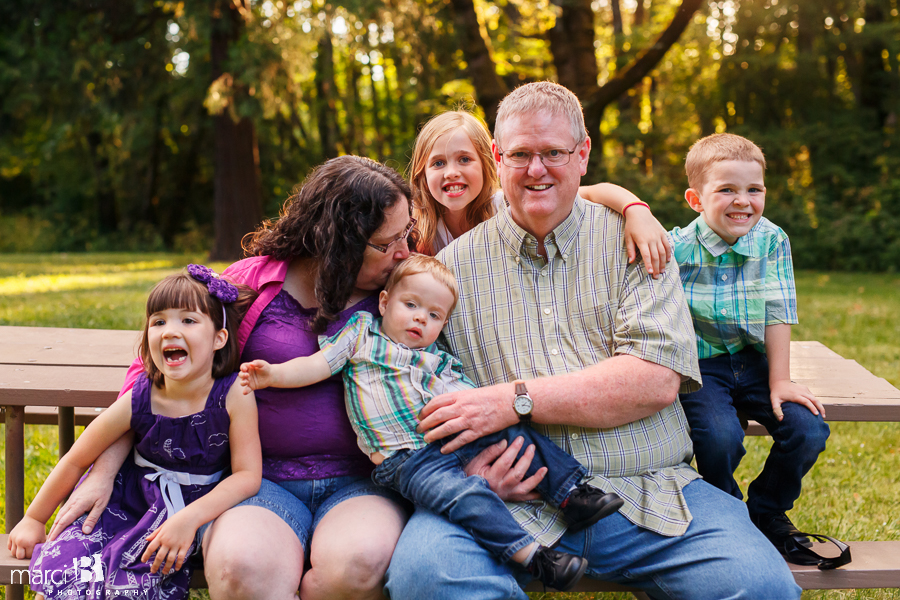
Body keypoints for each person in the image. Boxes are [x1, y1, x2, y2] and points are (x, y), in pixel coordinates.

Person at [385, 82, 802, 599]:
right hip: (506, 501)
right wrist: (470, 470)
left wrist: (513, 399)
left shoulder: (640, 244)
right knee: (427, 576)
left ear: (583, 155)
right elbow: (414, 390)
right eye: (519, 155)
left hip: (648, 487)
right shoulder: (448, 273)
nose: (537, 169)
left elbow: (652, 382)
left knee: (761, 588)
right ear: (498, 157)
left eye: (554, 153)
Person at [49, 156, 416, 600]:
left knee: (359, 564)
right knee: (242, 567)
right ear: (336, 239)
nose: (405, 252)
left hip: (364, 484)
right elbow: (152, 383)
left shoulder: (406, 292)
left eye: (407, 234)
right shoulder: (251, 285)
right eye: (387, 242)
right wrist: (103, 471)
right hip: (259, 482)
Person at [238, 254, 623, 591]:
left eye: (434, 315)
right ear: (384, 303)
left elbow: (469, 401)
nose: (420, 318)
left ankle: (573, 493)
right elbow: (316, 365)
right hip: (406, 459)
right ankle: (534, 557)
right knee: (464, 495)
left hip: (453, 435)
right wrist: (272, 375)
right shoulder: (361, 336)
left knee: (517, 433)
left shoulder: (437, 357)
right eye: (411, 305)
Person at [7, 266, 262, 600]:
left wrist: (190, 519)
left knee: (133, 581)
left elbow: (247, 476)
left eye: (188, 320)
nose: (170, 331)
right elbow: (76, 459)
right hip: (129, 502)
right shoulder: (141, 396)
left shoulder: (234, 394)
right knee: (67, 563)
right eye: (159, 321)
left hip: (195, 512)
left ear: (219, 338)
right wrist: (33, 517)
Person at [668, 133, 830, 551]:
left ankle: (767, 509)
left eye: (753, 189)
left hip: (755, 361)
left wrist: (781, 380)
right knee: (719, 438)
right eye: (727, 190)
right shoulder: (675, 248)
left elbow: (778, 310)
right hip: (701, 366)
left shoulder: (772, 239)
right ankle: (725, 511)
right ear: (695, 199)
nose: (743, 200)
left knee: (808, 430)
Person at [409, 110, 671, 275]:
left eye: (464, 159)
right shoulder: (416, 229)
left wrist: (636, 210)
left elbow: (593, 192)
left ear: (490, 162)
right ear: (422, 171)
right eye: (438, 163)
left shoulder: (505, 205)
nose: (452, 172)